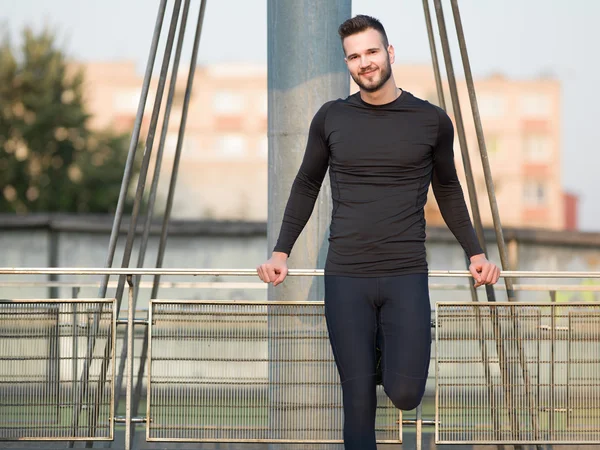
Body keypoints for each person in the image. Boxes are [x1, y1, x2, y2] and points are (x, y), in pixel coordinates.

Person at [257, 14, 500, 450]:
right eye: (354, 56)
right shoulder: (331, 117)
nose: (364, 63)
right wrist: (281, 251)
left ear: (389, 53)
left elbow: (447, 187)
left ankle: (381, 348)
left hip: (405, 272)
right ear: (347, 64)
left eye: (371, 52)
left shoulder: (431, 121)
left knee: (405, 393)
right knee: (356, 403)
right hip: (346, 274)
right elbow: (306, 183)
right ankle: (366, 354)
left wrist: (476, 252)